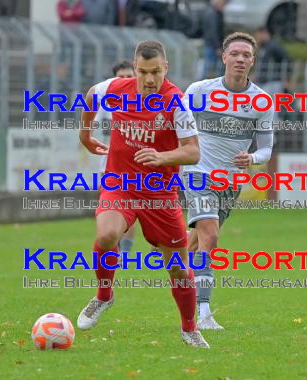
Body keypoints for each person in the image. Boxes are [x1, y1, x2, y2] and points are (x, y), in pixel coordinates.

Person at [77, 40, 210, 348]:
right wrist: (85, 135)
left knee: (177, 266)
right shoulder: (115, 88)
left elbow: (193, 152)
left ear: (166, 68)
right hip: (120, 184)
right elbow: (90, 96)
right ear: (134, 68)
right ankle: (103, 296)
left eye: (156, 72)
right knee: (107, 234)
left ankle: (189, 327)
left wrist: (161, 158)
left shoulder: (177, 102)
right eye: (143, 72)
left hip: (160, 194)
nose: (150, 79)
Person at [183, 32, 274, 330]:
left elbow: (265, 148)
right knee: (211, 237)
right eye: (234, 53)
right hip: (197, 173)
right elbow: (176, 124)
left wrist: (252, 159)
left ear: (252, 61)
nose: (239, 59)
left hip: (231, 182)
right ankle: (204, 314)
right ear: (223, 57)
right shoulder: (199, 91)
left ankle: (174, 265)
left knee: (195, 243)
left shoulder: (261, 101)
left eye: (245, 55)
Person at [93, 60, 137, 257]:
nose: (126, 80)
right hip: (109, 163)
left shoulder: (144, 100)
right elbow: (98, 128)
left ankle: (125, 252)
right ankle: (114, 249)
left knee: (131, 209)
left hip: (136, 165)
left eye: (130, 76)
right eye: (122, 77)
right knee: (111, 209)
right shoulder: (107, 102)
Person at [252, 26, 291, 121]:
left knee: (271, 108)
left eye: (258, 35)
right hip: (265, 81)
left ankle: (272, 130)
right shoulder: (264, 47)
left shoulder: (274, 46)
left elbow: (287, 59)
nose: (256, 38)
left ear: (263, 34)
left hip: (273, 81)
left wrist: (286, 78)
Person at [202, 0, 226, 79]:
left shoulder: (215, 13)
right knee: (209, 67)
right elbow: (213, 32)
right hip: (212, 46)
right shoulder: (213, 14)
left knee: (209, 67)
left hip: (211, 45)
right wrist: (217, 47)